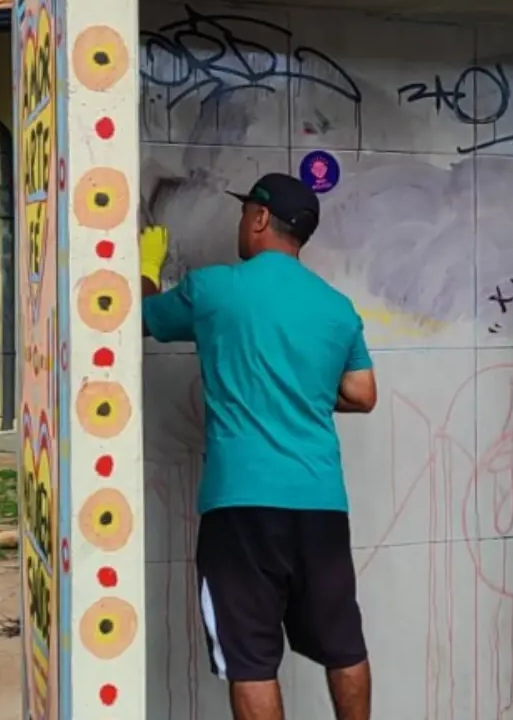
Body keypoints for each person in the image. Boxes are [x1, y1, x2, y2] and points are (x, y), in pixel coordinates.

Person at [139, 172, 378, 720]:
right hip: (320, 504)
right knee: (343, 644)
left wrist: (147, 268)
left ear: (261, 219)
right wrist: (308, 388)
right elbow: (363, 394)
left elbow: (141, 318)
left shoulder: (215, 289)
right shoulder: (336, 307)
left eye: (245, 212)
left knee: (251, 660)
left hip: (241, 507)